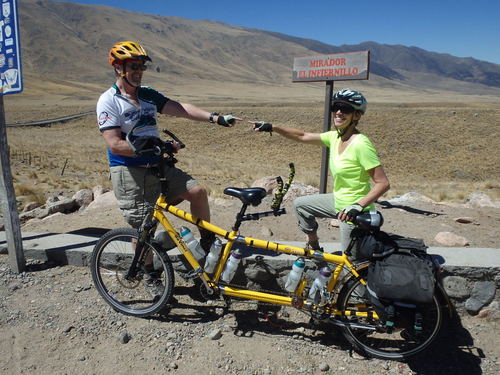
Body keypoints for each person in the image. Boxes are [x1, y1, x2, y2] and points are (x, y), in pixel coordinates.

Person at [97, 41, 241, 253]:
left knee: (197, 192)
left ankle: (207, 243)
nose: (139, 72)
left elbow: (181, 108)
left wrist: (215, 118)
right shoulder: (109, 101)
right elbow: (115, 145)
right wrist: (153, 148)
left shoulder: (147, 94)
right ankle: (149, 274)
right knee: (144, 227)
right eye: (134, 66)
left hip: (157, 165)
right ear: (119, 68)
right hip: (130, 171)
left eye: (142, 67)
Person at [252, 88, 390, 258]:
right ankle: (314, 247)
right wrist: (273, 127)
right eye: (336, 107)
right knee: (301, 205)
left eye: (346, 109)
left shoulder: (361, 145)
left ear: (357, 115)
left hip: (354, 211)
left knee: (351, 263)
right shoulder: (335, 137)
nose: (339, 112)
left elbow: (383, 183)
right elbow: (302, 136)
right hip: (338, 200)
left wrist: (358, 206)